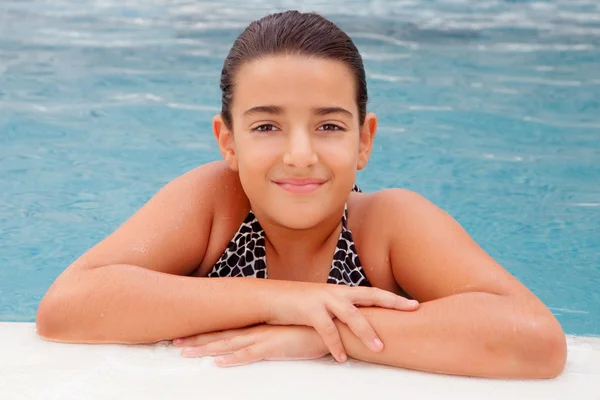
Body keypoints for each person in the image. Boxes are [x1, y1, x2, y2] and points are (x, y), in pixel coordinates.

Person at [36, 10, 566, 379]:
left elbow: (535, 339)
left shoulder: (386, 225)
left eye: (329, 127)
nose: (299, 154)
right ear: (228, 141)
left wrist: (321, 333)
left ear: (364, 140)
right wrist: (287, 300)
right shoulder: (216, 205)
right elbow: (67, 308)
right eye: (266, 127)